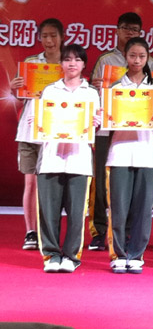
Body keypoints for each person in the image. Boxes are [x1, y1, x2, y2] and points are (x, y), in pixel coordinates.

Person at [89, 12, 153, 251]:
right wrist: (98, 88)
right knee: (103, 184)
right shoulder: (105, 60)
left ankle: (129, 233)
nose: (130, 32)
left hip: (139, 134)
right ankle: (100, 230)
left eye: (135, 29)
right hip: (108, 131)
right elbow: (93, 94)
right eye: (126, 28)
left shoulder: (150, 63)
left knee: (134, 190)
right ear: (117, 30)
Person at [34, 44, 101, 272]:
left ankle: (71, 257)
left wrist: (96, 123)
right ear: (61, 63)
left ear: (84, 64)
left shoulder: (91, 93)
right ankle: (51, 255)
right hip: (51, 158)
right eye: (67, 59)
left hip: (79, 160)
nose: (72, 63)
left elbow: (96, 128)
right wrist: (39, 123)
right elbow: (41, 123)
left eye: (77, 59)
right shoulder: (50, 91)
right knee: (48, 211)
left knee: (76, 213)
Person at [105, 37, 153, 274]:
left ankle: (136, 254)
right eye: (132, 56)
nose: (137, 60)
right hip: (120, 153)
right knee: (118, 208)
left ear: (147, 58)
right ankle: (119, 254)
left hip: (147, 154)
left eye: (141, 56)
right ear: (125, 57)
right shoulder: (115, 89)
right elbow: (106, 125)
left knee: (143, 208)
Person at [10, 18, 64, 251]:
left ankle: (48, 231)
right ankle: (31, 232)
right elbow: (20, 96)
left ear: (62, 37)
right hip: (29, 131)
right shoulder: (31, 64)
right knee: (30, 182)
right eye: (44, 36)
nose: (49, 40)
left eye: (53, 35)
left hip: (57, 133)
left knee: (52, 185)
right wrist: (15, 89)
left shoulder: (68, 64)